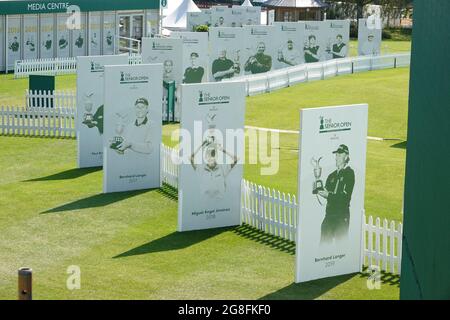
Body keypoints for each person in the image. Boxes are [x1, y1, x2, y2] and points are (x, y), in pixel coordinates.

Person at [317, 144, 355, 245]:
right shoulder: (331, 176)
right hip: (329, 215)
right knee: (324, 246)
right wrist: (318, 185)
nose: (336, 157)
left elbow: (345, 198)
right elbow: (326, 190)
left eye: (339, 154)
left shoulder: (349, 173)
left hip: (342, 216)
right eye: (336, 155)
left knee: (341, 247)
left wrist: (328, 195)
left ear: (346, 156)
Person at [190, 134, 238, 200]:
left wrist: (222, 149)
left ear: (216, 156)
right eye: (209, 155)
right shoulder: (201, 169)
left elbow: (235, 159)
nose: (211, 157)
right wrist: (202, 144)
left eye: (213, 154)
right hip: (205, 206)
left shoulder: (222, 168)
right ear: (206, 157)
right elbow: (191, 158)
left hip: (220, 204)